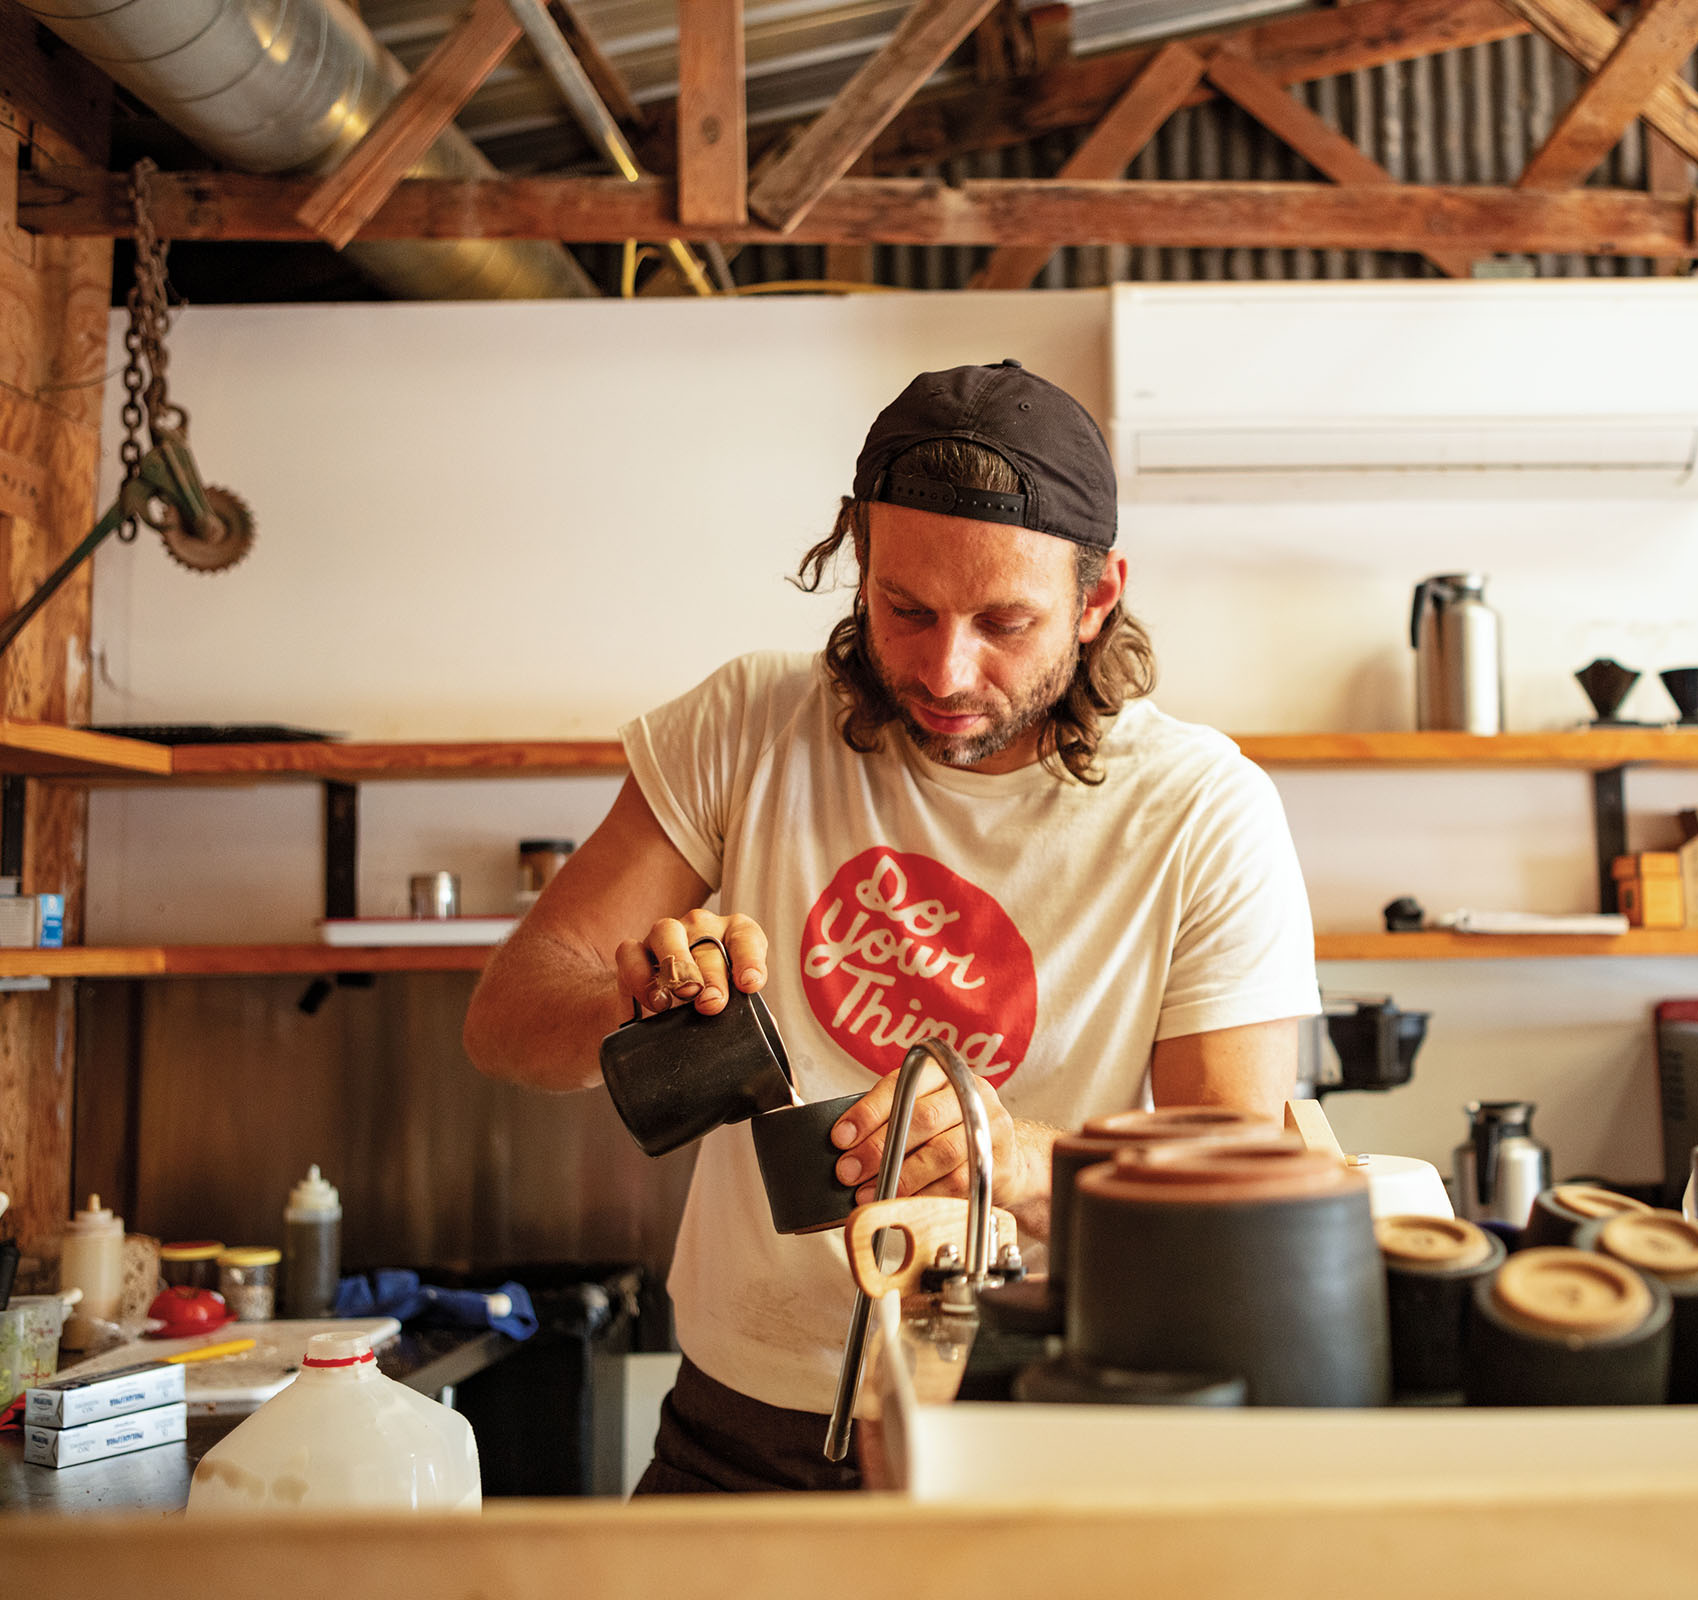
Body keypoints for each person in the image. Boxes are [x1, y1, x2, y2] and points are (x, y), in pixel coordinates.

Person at [462, 360, 1319, 1492]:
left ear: (1098, 594)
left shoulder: (1203, 809)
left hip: (1038, 1423)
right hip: (741, 1428)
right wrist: (639, 1002)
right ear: (860, 564)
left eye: (1005, 620)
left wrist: (1011, 1163)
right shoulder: (749, 726)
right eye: (904, 609)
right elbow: (509, 1019)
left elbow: (1242, 1182)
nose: (946, 669)